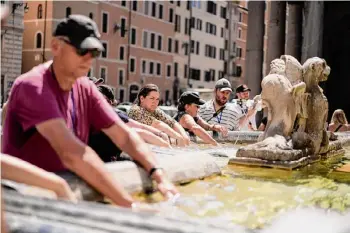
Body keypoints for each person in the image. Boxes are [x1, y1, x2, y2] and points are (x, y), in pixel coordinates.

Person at [2, 14, 177, 208]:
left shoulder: (85, 87)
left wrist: (158, 174)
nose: (88, 59)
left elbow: (125, 136)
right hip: (20, 199)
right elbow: (72, 153)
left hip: (65, 191)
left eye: (94, 53)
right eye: (82, 50)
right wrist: (130, 206)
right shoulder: (33, 86)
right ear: (55, 47)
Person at [89, 85, 171, 163]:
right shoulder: (119, 113)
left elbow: (140, 128)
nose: (155, 102)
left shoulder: (156, 111)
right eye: (152, 98)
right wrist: (167, 145)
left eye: (157, 99)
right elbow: (139, 130)